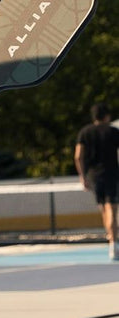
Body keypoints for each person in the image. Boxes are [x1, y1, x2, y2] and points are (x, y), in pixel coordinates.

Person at [74, 102, 119, 261]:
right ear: (106, 116)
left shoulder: (84, 132)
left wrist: (83, 177)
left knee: (104, 211)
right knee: (112, 211)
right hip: (112, 175)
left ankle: (111, 241)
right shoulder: (113, 132)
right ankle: (114, 244)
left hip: (94, 177)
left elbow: (78, 156)